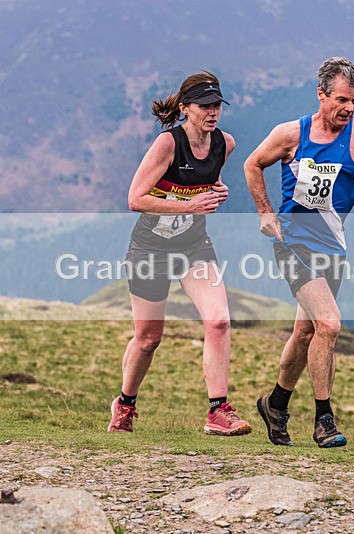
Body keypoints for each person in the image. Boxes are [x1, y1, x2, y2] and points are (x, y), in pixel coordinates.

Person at [243, 57, 354, 448]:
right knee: (330, 324)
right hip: (293, 243)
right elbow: (253, 164)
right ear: (321, 95)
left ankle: (275, 404)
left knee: (306, 331)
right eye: (341, 99)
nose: (349, 108)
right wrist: (265, 213)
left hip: (334, 246)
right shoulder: (290, 134)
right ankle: (324, 420)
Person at [108, 71, 252, 437]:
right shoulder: (168, 145)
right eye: (204, 106)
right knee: (148, 339)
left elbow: (208, 183)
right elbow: (135, 199)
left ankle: (218, 410)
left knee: (219, 320)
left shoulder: (226, 144)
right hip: (150, 249)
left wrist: (217, 192)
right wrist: (190, 204)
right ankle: (125, 403)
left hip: (193, 247)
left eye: (217, 105)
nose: (212, 112)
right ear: (185, 108)